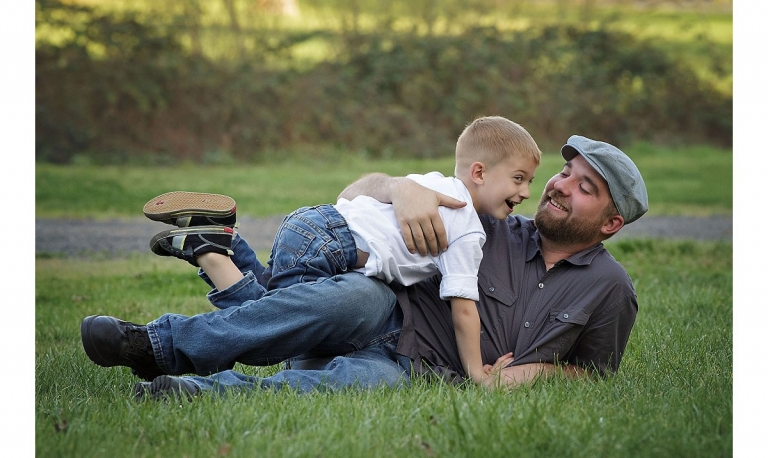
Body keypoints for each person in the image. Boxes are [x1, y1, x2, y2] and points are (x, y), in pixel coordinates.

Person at [80, 135, 648, 400]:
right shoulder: (488, 220)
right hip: (381, 313)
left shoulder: (609, 289)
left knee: (341, 385)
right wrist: (400, 188)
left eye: (584, 187)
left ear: (611, 223)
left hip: (421, 371)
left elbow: (594, 375)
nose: (559, 185)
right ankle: (155, 346)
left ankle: (193, 388)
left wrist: (531, 375)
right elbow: (351, 198)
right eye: (565, 172)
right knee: (346, 299)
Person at [147, 117, 539, 386]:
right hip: (334, 245)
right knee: (284, 329)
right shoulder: (467, 226)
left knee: (281, 315)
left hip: (316, 225)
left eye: (529, 182)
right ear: (479, 172)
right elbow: (464, 307)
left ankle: (216, 248)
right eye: (518, 179)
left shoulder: (427, 184)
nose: (524, 193)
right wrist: (476, 372)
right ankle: (208, 262)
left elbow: (356, 198)